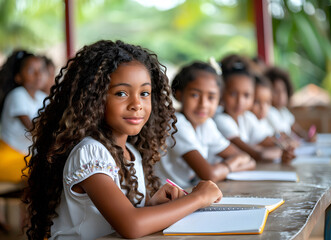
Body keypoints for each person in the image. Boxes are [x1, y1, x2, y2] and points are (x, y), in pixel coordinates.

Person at [22, 40, 222, 240]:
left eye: (144, 93)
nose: (136, 104)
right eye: (121, 93)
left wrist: (151, 206)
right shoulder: (90, 153)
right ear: (93, 99)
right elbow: (131, 225)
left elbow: (117, 221)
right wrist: (199, 198)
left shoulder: (130, 152)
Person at [154, 61, 256, 189]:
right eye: (195, 95)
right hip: (166, 197)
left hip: (188, 191)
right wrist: (231, 165)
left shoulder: (206, 124)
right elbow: (209, 175)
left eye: (211, 97)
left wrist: (226, 167)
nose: (203, 104)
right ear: (179, 95)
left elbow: (248, 159)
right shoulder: (176, 123)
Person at [214, 55, 294, 163]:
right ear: (221, 93)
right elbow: (255, 154)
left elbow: (269, 140)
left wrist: (284, 146)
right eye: (233, 94)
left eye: (246, 95)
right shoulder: (221, 120)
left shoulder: (246, 118)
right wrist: (281, 151)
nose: (240, 101)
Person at [0, 50, 47, 182]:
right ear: (18, 77)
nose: (38, 75)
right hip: (9, 158)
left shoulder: (42, 97)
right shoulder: (17, 95)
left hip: (26, 158)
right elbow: (34, 130)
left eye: (41, 70)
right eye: (32, 70)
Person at [265, 66, 316, 142]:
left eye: (283, 91)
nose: (281, 96)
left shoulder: (284, 111)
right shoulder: (269, 112)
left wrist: (307, 136)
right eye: (276, 91)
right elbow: (280, 134)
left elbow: (296, 128)